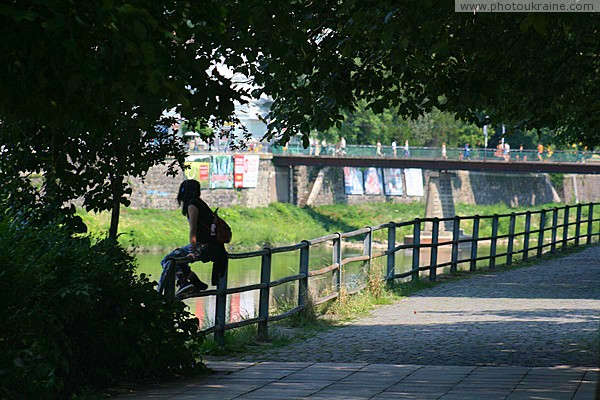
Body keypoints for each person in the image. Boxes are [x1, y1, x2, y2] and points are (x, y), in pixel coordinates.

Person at [158, 179, 228, 294]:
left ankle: (184, 282)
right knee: (178, 260)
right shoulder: (200, 203)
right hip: (214, 246)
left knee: (167, 260)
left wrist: (192, 251)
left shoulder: (192, 205)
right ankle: (195, 282)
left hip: (204, 246)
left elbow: (193, 229)